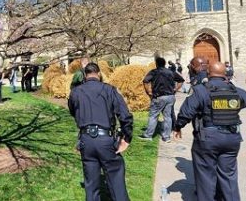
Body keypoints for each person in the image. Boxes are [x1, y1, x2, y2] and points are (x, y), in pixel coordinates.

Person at [173, 61, 246, 201]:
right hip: (232, 138)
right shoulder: (235, 91)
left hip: (208, 138)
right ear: (225, 74)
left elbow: (187, 111)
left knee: (206, 177)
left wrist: (178, 126)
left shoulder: (201, 90)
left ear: (208, 73)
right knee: (229, 177)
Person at [68, 62, 133, 201]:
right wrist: (127, 138)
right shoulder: (109, 90)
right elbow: (125, 115)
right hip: (106, 140)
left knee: (91, 185)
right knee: (116, 181)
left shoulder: (75, 92)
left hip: (86, 141)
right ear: (99, 74)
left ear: (85, 75)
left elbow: (73, 111)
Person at [140, 57, 184, 142]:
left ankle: (148, 135)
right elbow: (181, 80)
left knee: (153, 116)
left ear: (156, 64)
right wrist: (176, 89)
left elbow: (145, 81)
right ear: (164, 64)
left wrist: (148, 91)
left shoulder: (154, 72)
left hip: (159, 97)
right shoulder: (171, 72)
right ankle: (166, 137)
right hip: (170, 97)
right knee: (167, 117)